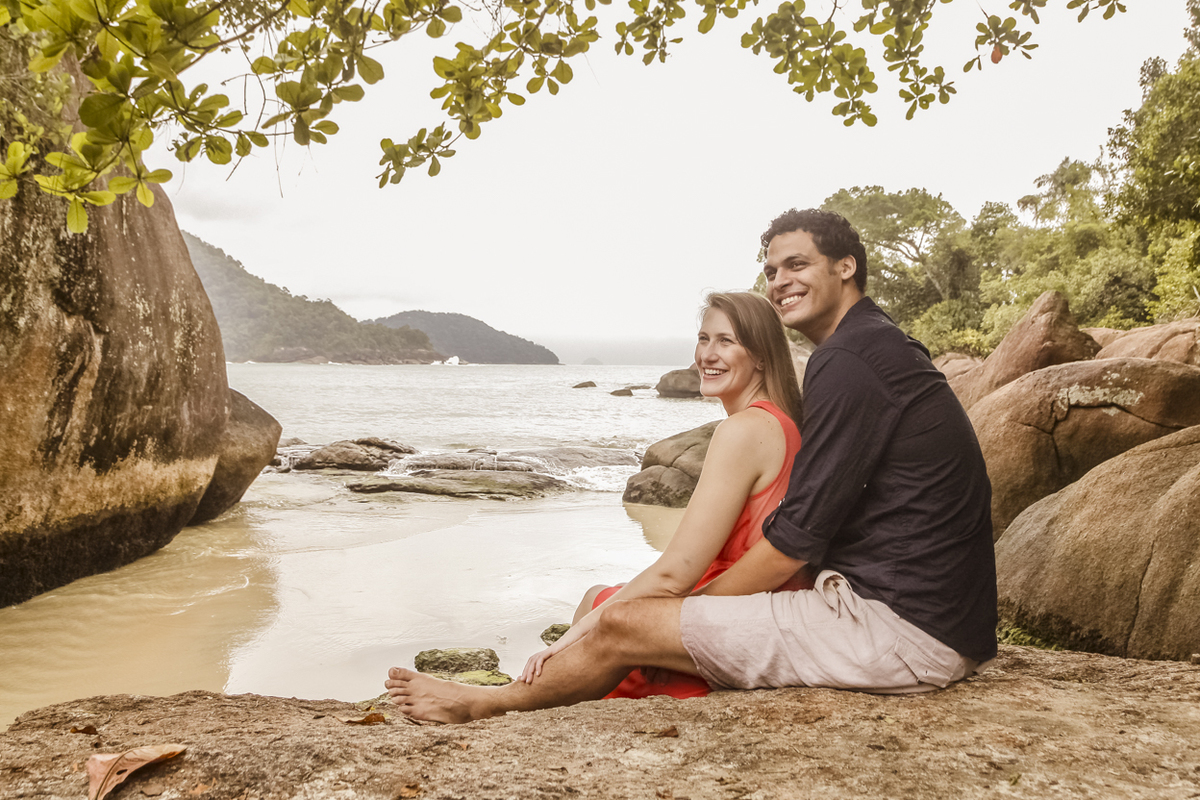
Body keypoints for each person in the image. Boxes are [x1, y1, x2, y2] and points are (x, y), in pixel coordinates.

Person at [384, 209, 998, 724]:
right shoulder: (873, 348)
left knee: (626, 621)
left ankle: (487, 707)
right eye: (771, 270)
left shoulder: (851, 359)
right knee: (625, 612)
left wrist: (686, 615)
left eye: (798, 264)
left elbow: (796, 540)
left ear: (846, 267)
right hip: (921, 617)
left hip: (898, 629)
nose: (780, 280)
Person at [545, 291, 811, 701]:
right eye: (704, 339)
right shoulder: (784, 422)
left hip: (733, 624)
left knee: (596, 608)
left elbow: (675, 573)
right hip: (758, 607)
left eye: (726, 341)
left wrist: (574, 635)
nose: (707, 354)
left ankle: (504, 702)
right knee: (601, 597)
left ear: (761, 356)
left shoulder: (743, 430)